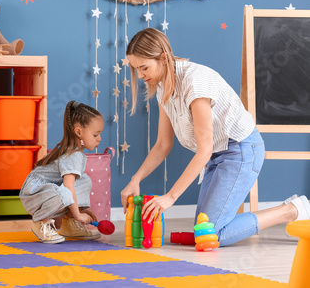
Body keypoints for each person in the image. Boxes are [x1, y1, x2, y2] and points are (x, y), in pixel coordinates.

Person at [120, 28, 310, 247]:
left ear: (163, 57)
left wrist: (170, 197)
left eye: (144, 67)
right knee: (203, 229)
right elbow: (163, 144)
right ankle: (288, 210)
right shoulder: (162, 85)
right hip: (217, 156)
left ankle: (292, 210)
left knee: (212, 234)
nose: (141, 75)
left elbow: (204, 149)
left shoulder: (195, 82)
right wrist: (135, 179)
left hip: (241, 150)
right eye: (136, 69)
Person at [20, 101, 104, 244]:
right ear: (78, 132)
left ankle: (70, 224)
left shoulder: (76, 152)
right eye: (95, 135)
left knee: (84, 180)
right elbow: (68, 187)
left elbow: (74, 186)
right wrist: (78, 214)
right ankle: (41, 223)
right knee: (66, 190)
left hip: (49, 190)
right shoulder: (72, 154)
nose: (99, 139)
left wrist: (84, 208)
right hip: (35, 193)